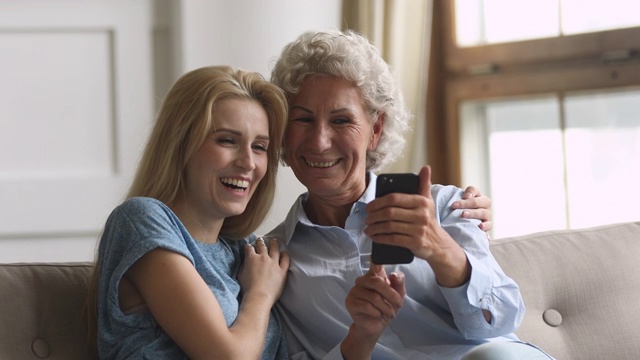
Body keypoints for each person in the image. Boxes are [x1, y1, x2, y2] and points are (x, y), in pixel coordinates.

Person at [267, 29, 552, 359]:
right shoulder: (272, 263)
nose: (319, 141)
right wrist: (358, 339)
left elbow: (499, 320)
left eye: (341, 120)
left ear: (374, 130)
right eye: (302, 119)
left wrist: (441, 248)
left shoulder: (444, 206)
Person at [84, 66, 290, 359]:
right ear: (181, 144)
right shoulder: (141, 220)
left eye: (259, 147)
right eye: (227, 140)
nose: (248, 162)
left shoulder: (245, 251)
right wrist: (260, 295)